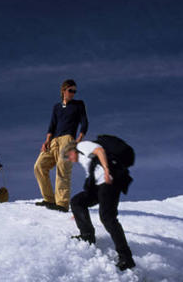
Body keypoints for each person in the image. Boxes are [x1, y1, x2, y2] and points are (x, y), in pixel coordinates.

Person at [63, 140, 135, 271]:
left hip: (109, 182)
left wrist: (107, 171)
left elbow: (100, 150)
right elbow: (91, 178)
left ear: (72, 150)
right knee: (77, 202)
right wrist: (78, 212)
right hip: (99, 187)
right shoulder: (84, 160)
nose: (69, 159)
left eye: (68, 156)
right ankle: (87, 236)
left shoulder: (81, 146)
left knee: (108, 218)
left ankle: (126, 258)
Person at [34, 79, 88, 212]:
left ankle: (62, 204)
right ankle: (49, 199)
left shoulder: (78, 104)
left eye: (75, 91)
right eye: (71, 90)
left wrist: (78, 140)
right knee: (39, 166)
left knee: (62, 168)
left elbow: (84, 122)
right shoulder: (56, 107)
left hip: (68, 140)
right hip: (53, 141)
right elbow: (51, 126)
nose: (73, 93)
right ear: (63, 90)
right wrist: (47, 141)